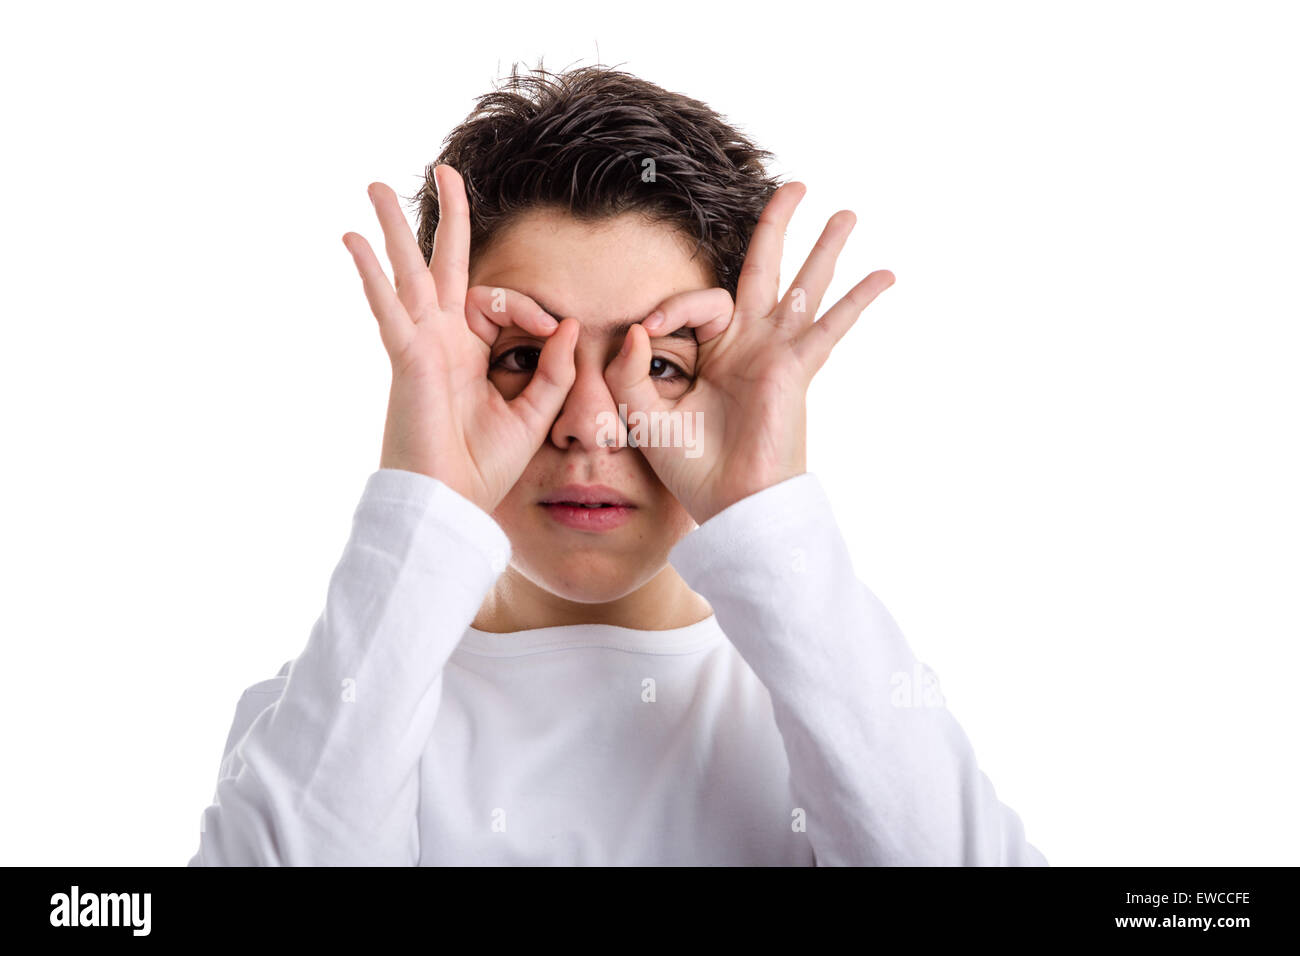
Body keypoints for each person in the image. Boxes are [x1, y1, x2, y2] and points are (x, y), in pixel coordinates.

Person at [187, 63, 1047, 866]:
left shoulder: (846, 701)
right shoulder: (323, 712)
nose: (591, 428)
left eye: (662, 366)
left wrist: (767, 509)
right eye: (522, 358)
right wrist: (425, 500)